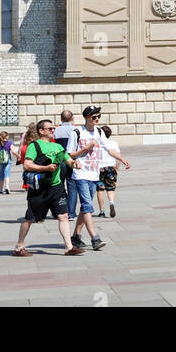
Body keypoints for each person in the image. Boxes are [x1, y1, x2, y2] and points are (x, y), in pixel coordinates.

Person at [13, 118, 93, 257]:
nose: (53, 130)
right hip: (39, 189)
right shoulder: (35, 146)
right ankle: (19, 246)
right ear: (41, 131)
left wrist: (74, 164)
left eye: (53, 128)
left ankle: (69, 247)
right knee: (30, 218)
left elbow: (68, 159)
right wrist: (45, 168)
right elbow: (27, 164)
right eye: (50, 129)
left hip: (56, 188)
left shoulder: (58, 147)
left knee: (64, 216)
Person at [70, 107, 109, 249]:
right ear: (87, 117)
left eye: (99, 116)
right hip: (80, 174)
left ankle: (75, 236)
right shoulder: (76, 132)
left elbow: (108, 148)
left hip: (94, 174)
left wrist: (121, 159)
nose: (97, 119)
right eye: (94, 117)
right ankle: (95, 238)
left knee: (85, 207)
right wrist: (86, 148)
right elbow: (70, 154)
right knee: (87, 206)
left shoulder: (99, 132)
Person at [95, 125, 130, 219]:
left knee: (100, 190)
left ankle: (102, 211)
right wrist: (117, 168)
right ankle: (111, 202)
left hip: (100, 168)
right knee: (111, 189)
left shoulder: (98, 144)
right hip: (111, 168)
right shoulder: (114, 143)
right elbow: (118, 156)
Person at [54, 110, 80, 219]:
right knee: (72, 186)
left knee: (59, 186)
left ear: (61, 119)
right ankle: (71, 213)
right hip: (72, 160)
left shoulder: (55, 130)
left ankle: (59, 210)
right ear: (72, 118)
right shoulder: (76, 130)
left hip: (60, 160)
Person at [18, 123, 37, 191]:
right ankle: (32, 182)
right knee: (33, 167)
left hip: (25, 150)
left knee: (26, 168)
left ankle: (26, 183)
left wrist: (19, 155)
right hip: (33, 150)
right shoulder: (37, 134)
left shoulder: (25, 134)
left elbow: (21, 144)